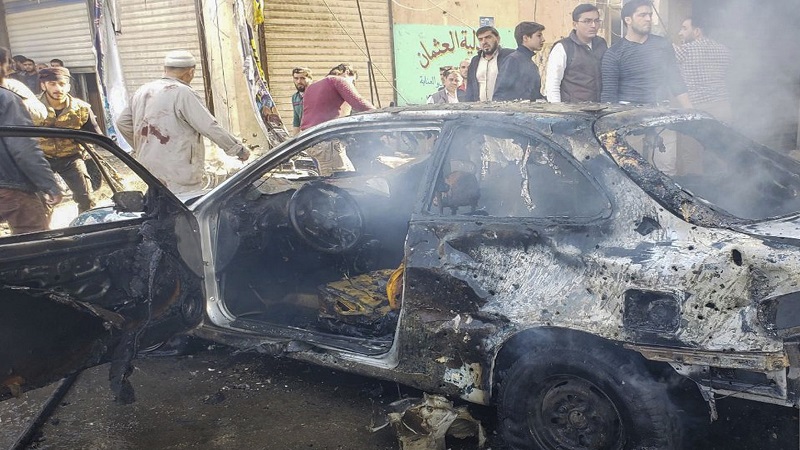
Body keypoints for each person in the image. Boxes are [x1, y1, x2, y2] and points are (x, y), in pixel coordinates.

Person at [116, 50, 250, 194]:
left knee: (159, 201)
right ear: (190, 72)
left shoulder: (142, 90)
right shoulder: (182, 92)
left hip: (148, 167)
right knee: (184, 204)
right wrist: (238, 150)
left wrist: (145, 147)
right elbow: (208, 126)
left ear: (165, 69)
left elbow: (122, 123)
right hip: (178, 167)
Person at [0, 48, 63, 234]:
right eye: (7, 64)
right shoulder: (6, 98)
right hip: (10, 186)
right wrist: (49, 185)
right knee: (34, 241)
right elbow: (23, 148)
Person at [600, 0, 690, 108]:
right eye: (642, 15)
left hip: (661, 110)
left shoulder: (663, 45)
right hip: (628, 113)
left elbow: (676, 80)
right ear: (628, 20)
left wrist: (690, 110)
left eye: (650, 15)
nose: (648, 19)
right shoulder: (614, 53)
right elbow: (609, 95)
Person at [37, 67, 102, 213]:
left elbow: (97, 137)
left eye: (62, 84)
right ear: (43, 85)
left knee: (87, 199)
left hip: (71, 158)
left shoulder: (82, 108)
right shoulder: (31, 107)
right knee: (39, 202)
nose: (57, 88)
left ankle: (86, 225)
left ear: (68, 86)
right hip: (40, 159)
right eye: (52, 84)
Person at [545, 4, 608, 103]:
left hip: (599, 106)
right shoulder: (563, 47)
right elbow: (553, 84)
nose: (593, 25)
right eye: (587, 21)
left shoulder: (601, 44)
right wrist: (557, 108)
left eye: (596, 21)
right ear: (575, 24)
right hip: (573, 108)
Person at [675, 17, 731, 121]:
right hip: (723, 108)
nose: (680, 33)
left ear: (697, 31)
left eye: (684, 29)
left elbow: (664, 62)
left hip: (698, 110)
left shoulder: (684, 50)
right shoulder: (724, 50)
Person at [300, 63, 375, 130]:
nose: (352, 85)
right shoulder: (339, 80)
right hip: (328, 132)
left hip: (308, 134)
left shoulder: (310, 87)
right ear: (347, 72)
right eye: (353, 81)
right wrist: (377, 114)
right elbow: (359, 102)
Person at [494, 21, 546, 102]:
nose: (543, 39)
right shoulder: (513, 60)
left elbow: (533, 94)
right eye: (539, 35)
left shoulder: (529, 62)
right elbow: (500, 94)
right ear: (525, 38)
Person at [464, 26, 514, 102]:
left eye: (488, 37)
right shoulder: (475, 61)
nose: (484, 42)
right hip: (479, 107)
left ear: (498, 39)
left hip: (504, 107)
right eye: (480, 39)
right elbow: (470, 89)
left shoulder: (509, 56)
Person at [291, 67, 312, 136]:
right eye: (296, 78)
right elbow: (296, 121)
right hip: (305, 135)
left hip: (317, 133)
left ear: (310, 79)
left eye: (302, 78)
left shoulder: (315, 94)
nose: (299, 81)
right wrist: (294, 140)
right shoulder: (295, 97)